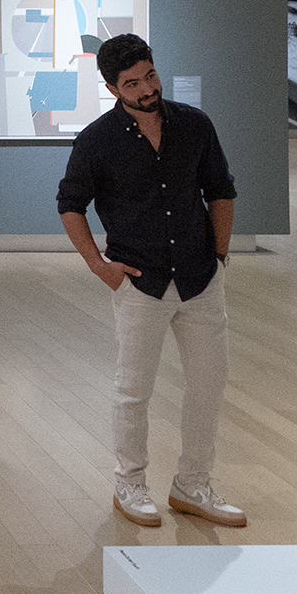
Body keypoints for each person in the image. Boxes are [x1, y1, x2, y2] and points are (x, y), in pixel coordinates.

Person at [56, 34, 246, 528]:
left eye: (151, 76)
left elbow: (221, 192)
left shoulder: (195, 126)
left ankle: (192, 485)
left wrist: (221, 254)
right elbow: (70, 204)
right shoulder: (96, 140)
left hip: (202, 279)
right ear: (111, 87)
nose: (147, 89)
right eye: (132, 83)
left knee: (209, 384)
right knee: (133, 390)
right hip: (140, 283)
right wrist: (99, 265)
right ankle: (130, 483)